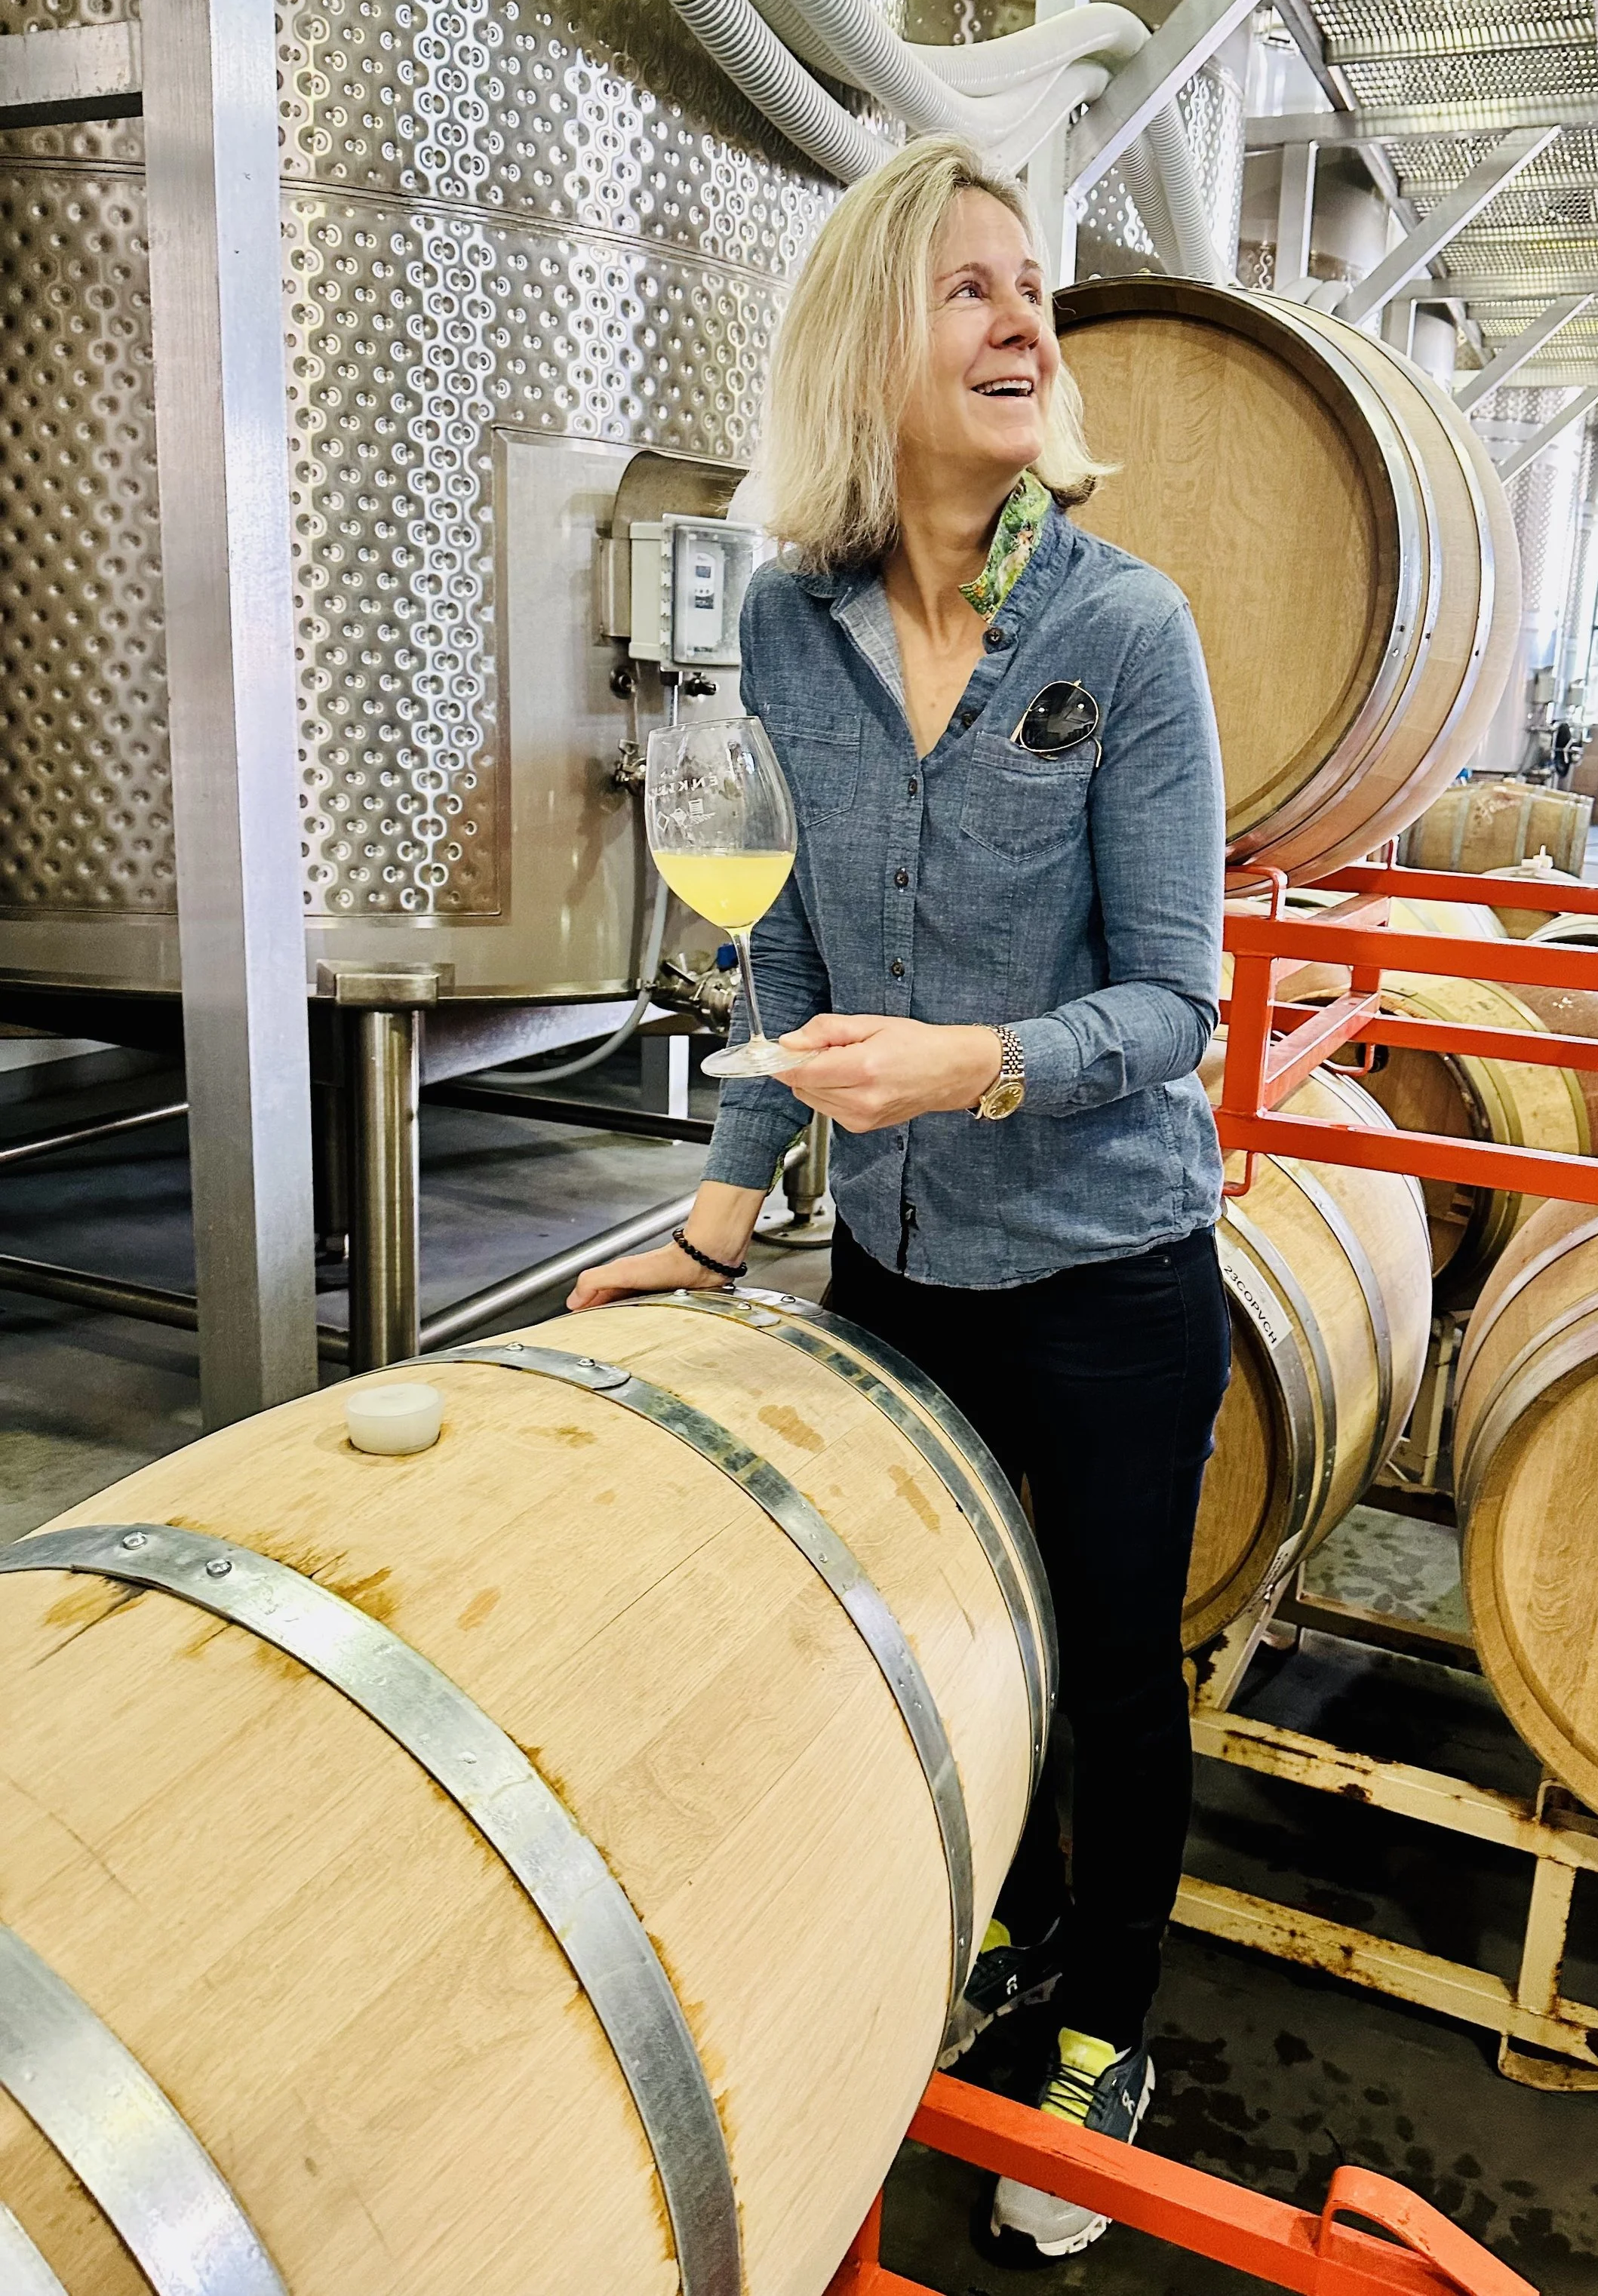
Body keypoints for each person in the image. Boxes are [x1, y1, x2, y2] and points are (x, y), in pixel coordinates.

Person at [569, 132, 1229, 2262]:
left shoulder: (1123, 629)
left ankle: (1098, 2030)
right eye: (970, 288)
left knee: (1111, 1668)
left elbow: (1178, 1003)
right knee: (933, 1640)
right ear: (869, 345)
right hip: (898, 1263)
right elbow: (777, 953)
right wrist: (712, 1215)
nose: (1026, 320)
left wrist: (975, 1062)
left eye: (1032, 288)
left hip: (1109, 1264)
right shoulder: (788, 627)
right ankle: (990, 1929)